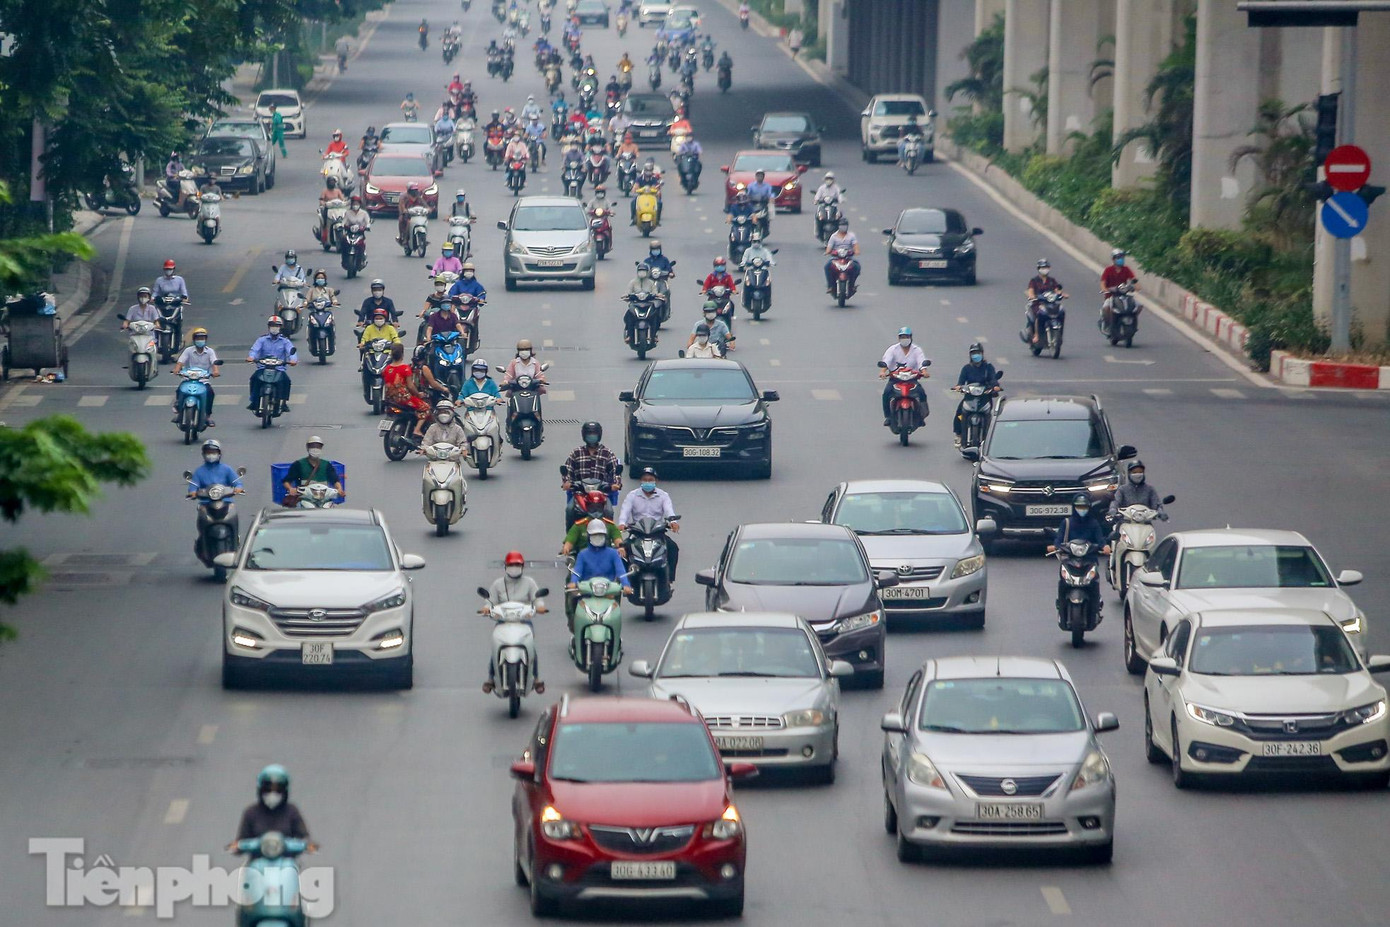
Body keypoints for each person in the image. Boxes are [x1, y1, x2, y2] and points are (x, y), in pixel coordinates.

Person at [481, 551, 548, 694]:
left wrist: (540, 607)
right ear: (505, 566)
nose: (514, 567)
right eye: (511, 565)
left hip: (523, 621)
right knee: (495, 648)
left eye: (517, 565)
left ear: (522, 566)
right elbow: (490, 600)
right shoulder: (498, 584)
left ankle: (536, 678)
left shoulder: (529, 583)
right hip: (503, 622)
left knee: (531, 648)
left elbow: (537, 599)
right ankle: (490, 678)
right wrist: (486, 609)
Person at [1047, 495, 1111, 616]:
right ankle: (1061, 604)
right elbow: (1059, 539)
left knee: (1094, 582)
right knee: (1063, 582)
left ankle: (1096, 604)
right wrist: (1055, 546)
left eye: (1084, 506)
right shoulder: (1066, 523)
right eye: (1079, 506)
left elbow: (1100, 538)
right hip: (1069, 559)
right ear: (1074, 507)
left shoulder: (1093, 523)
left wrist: (1105, 546)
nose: (1082, 509)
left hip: (1089, 559)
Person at [619, 467, 679, 580]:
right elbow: (625, 511)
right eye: (645, 480)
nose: (647, 482)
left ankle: (669, 578)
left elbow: (669, 511)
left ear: (656, 481)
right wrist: (622, 523)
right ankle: (625, 579)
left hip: (657, 532)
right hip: (637, 533)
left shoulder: (663, 496)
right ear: (641, 481)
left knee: (672, 548)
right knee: (622, 550)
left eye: (650, 480)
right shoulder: (632, 495)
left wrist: (673, 522)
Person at [231, 765, 313, 846]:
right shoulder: (251, 812)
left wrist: (307, 844)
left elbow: (303, 836)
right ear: (260, 790)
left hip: (288, 857)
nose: (272, 794)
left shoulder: (292, 811)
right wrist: (237, 846)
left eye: (278, 790)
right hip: (257, 858)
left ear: (285, 792)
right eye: (268, 790)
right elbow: (242, 840)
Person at [560, 422, 622, 521]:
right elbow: (568, 469)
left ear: (599, 435)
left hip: (601, 493)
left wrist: (616, 484)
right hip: (580, 492)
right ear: (584, 435)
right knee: (570, 510)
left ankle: (610, 535)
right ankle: (571, 534)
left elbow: (615, 471)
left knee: (609, 512)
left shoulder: (607, 453)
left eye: (594, 434)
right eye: (589, 434)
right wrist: (566, 482)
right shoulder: (576, 453)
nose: (592, 436)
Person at [951, 342, 999, 446]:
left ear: (982, 354)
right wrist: (959, 387)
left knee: (990, 417)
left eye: (977, 353)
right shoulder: (966, 369)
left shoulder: (988, 368)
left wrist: (995, 387)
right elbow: (961, 382)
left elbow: (994, 380)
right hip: (969, 398)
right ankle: (959, 435)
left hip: (985, 398)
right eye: (973, 353)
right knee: (959, 414)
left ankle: (989, 440)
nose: (975, 355)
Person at [246, 316, 298, 414]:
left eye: (277, 326)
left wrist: (293, 360)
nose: (274, 328)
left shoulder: (285, 341)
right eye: (272, 325)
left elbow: (292, 351)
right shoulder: (262, 340)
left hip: (279, 369)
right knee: (254, 379)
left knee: (286, 381)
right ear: (269, 327)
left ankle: (284, 402)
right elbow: (254, 350)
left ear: (280, 327)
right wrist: (251, 357)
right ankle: (253, 401)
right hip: (263, 368)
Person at [878, 326, 928, 425]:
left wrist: (924, 371)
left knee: (921, 393)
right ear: (899, 338)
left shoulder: (917, 350)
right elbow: (886, 362)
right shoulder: (893, 349)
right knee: (886, 393)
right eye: (902, 337)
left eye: (906, 336)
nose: (904, 339)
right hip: (895, 379)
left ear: (911, 337)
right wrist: (883, 371)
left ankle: (921, 416)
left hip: (912, 379)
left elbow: (921, 363)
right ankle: (888, 417)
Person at [568, 519, 631, 593]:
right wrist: (573, 582)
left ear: (605, 536)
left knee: (615, 603)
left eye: (600, 535)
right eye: (594, 535)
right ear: (589, 536)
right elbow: (577, 571)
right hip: (587, 593)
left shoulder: (613, 553)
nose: (597, 538)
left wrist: (626, 585)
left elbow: (620, 571)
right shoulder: (582, 554)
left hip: (609, 592)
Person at [172, 328, 220, 425]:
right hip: (189, 378)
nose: (200, 340)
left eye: (202, 338)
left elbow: (214, 362)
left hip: (203, 380)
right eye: (198, 338)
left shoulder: (210, 351)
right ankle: (179, 410)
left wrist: (215, 371)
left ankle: (207, 416)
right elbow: (180, 362)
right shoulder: (188, 351)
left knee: (210, 393)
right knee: (180, 390)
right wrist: (177, 369)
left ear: (206, 339)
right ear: (194, 339)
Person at [384, 342, 431, 439]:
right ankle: (417, 430)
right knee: (426, 408)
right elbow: (410, 386)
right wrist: (418, 394)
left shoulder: (387, 369)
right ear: (402, 354)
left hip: (390, 399)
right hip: (403, 399)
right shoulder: (405, 368)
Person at [282, 436, 343, 504]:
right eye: (313, 446)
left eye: (318, 446)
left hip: (324, 499)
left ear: (321, 448)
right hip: (305, 499)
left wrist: (339, 489)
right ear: (308, 448)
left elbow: (335, 480)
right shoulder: (298, 464)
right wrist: (290, 489)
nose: (315, 448)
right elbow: (286, 481)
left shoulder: (326, 465)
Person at [1025, 258, 1066, 344]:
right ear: (1039, 269)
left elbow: (1056, 290)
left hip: (1051, 304)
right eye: (1043, 267)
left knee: (1061, 311)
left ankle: (1059, 332)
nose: (1045, 269)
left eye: (1046, 267)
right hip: (1038, 304)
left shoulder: (1052, 280)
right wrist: (1032, 296)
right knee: (1039, 314)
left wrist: (1062, 294)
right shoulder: (1034, 281)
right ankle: (1036, 335)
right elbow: (1030, 291)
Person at [1100, 248, 1139, 332]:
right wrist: (1105, 289)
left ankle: (1133, 322)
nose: (1121, 259)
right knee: (1106, 308)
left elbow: (1134, 280)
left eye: (1122, 257)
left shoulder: (1126, 269)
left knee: (1138, 306)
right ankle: (1108, 324)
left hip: (1124, 296)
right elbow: (1103, 283)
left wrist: (1135, 286)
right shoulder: (1108, 270)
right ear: (1113, 259)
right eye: (1118, 257)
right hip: (1111, 296)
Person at [824, 219, 861, 293]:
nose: (843, 227)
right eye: (841, 226)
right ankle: (830, 286)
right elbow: (829, 248)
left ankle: (852, 285)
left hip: (848, 258)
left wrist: (856, 251)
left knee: (857, 267)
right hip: (836, 258)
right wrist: (828, 252)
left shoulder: (851, 236)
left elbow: (856, 246)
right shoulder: (833, 236)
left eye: (844, 226)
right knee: (827, 267)